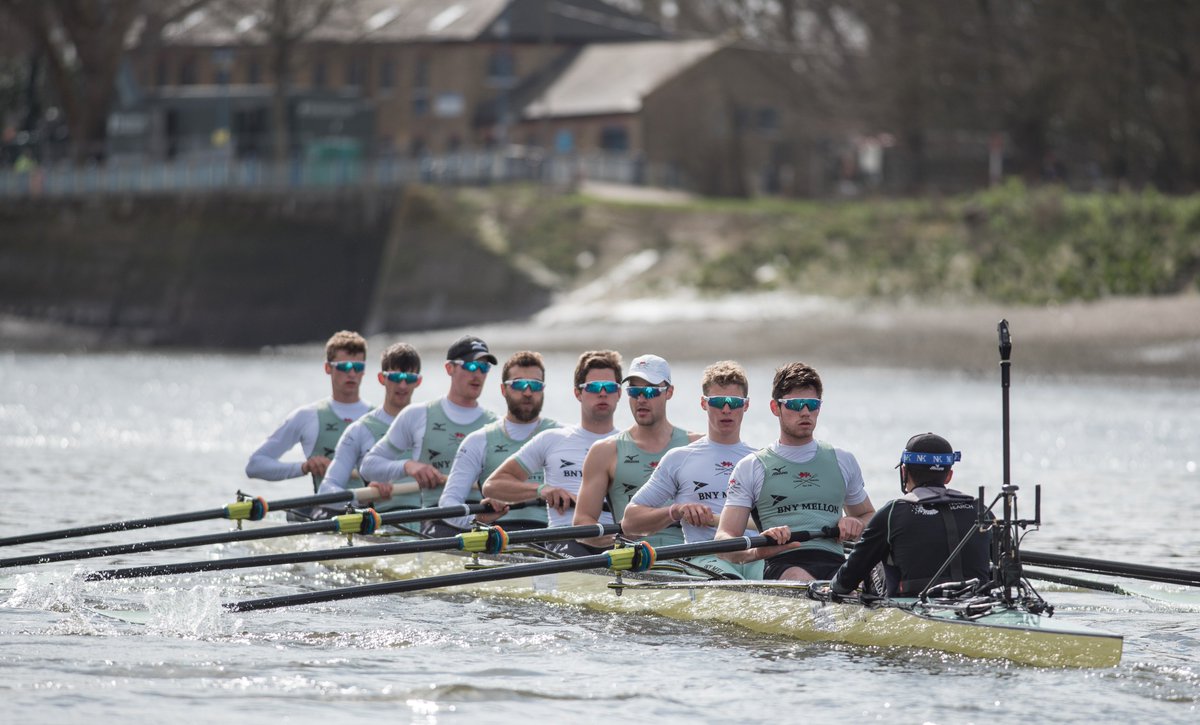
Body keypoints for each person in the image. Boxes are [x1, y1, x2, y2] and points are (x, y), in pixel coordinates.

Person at [715, 361, 875, 580]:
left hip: (838, 567)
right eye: (796, 405)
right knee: (801, 578)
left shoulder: (842, 460)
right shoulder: (752, 467)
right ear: (775, 408)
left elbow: (869, 516)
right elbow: (724, 541)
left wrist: (857, 522)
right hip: (785, 565)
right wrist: (757, 552)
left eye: (812, 404)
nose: (806, 412)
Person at [622, 361, 760, 578]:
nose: (726, 409)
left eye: (733, 402)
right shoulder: (680, 459)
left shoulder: (760, 461)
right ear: (704, 404)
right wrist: (675, 511)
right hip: (705, 556)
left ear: (746, 405)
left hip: (754, 555)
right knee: (732, 583)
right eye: (717, 402)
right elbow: (630, 521)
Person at [483, 350, 622, 556]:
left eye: (610, 387)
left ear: (619, 393)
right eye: (593, 387)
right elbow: (492, 486)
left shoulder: (631, 445)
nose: (602, 393)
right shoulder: (553, 440)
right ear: (578, 393)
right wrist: (541, 490)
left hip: (616, 539)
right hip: (565, 538)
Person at [830, 433, 992, 597]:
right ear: (949, 475)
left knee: (875, 558)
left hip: (916, 609)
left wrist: (833, 587)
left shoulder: (893, 512)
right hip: (977, 603)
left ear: (904, 472)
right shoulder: (982, 511)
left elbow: (844, 583)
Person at [360, 335, 499, 511]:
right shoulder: (417, 415)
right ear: (450, 368)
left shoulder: (495, 424)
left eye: (484, 368)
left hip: (481, 516)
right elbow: (368, 466)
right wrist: (408, 466)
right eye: (471, 366)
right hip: (434, 519)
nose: (477, 374)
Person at [430, 351, 560, 537]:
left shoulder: (562, 436)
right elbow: (448, 503)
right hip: (497, 536)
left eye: (535, 385)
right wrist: (479, 518)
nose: (528, 392)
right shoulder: (478, 441)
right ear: (503, 389)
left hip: (552, 536)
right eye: (519, 384)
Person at [574, 354, 698, 548]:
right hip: (634, 559)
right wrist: (616, 540)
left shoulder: (696, 445)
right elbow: (582, 522)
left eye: (650, 391)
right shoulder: (605, 451)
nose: (641, 399)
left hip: (693, 556)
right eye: (634, 391)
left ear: (669, 392)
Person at [245, 330, 372, 493]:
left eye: (358, 367)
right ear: (328, 368)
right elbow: (255, 465)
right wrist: (304, 467)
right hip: (329, 510)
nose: (352, 373)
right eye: (344, 367)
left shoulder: (379, 417)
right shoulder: (307, 416)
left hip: (375, 513)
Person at [316, 343, 422, 513]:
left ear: (418, 381)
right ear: (382, 379)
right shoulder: (360, 430)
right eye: (395, 377)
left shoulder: (430, 425)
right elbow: (327, 489)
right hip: (380, 525)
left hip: (428, 523)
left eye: (409, 378)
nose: (402, 385)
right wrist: (363, 497)